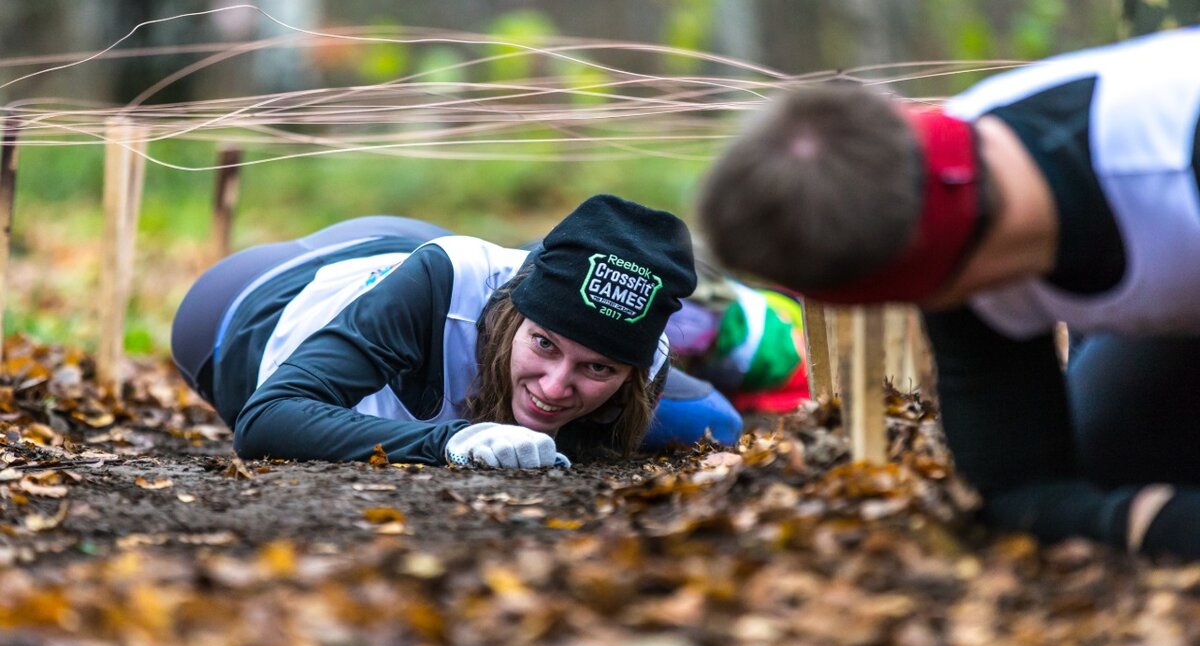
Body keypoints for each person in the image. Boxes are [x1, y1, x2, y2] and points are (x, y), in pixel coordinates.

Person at [697, 28, 1200, 558]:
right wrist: (1144, 520)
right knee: (1111, 452)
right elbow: (1019, 490)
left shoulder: (1165, 153)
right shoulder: (941, 221)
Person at [172, 194, 742, 469]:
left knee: (711, 421)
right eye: (544, 344)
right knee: (445, 269)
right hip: (256, 299)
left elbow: (721, 426)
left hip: (431, 266)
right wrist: (450, 440)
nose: (554, 386)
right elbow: (267, 418)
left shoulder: (646, 348)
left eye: (598, 368)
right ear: (516, 313)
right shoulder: (444, 279)